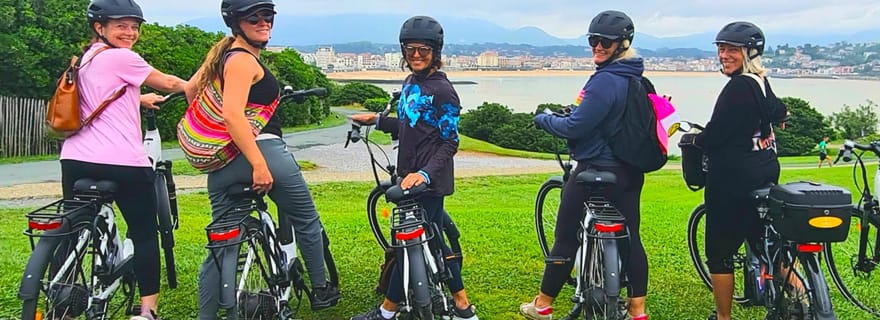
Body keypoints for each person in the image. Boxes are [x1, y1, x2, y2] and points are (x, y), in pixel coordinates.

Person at [187, 0, 339, 318]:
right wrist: (258, 164)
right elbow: (232, 115)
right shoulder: (243, 61)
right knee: (306, 220)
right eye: (253, 17)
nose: (263, 21)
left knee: (220, 246)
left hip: (223, 163)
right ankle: (321, 288)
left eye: (267, 15)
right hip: (264, 152)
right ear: (236, 23)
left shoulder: (222, 56)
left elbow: (191, 91)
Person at [58, 0, 188, 319]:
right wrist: (204, 85)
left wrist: (139, 98)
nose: (130, 32)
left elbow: (98, 95)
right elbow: (171, 83)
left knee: (71, 229)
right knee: (144, 233)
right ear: (99, 27)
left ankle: (61, 296)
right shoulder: (123, 57)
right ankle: (147, 310)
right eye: (121, 26)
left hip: (74, 159)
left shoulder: (85, 59)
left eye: (134, 27)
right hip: (122, 161)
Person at [521, 10, 649, 320]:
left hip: (594, 168)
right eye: (594, 40)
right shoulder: (636, 77)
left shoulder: (604, 80)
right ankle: (638, 310)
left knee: (566, 237)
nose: (598, 47)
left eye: (606, 42)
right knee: (631, 237)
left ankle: (543, 305)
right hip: (629, 172)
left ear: (622, 44)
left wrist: (544, 119)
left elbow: (575, 126)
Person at [348, 15, 477, 320]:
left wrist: (424, 174)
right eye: (410, 49)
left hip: (429, 181)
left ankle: (391, 310)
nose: (416, 55)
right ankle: (460, 305)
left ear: (436, 52)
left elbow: (450, 142)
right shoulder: (410, 83)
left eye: (423, 50)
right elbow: (410, 125)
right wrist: (377, 120)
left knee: (413, 242)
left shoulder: (443, 91)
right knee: (425, 241)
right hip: (406, 176)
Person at [695, 21, 788, 320]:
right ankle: (803, 298)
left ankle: (723, 317)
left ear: (750, 52)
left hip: (733, 180)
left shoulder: (737, 87)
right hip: (765, 171)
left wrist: (695, 139)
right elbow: (777, 109)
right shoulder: (759, 80)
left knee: (720, 252)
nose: (724, 55)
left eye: (732, 50)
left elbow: (717, 134)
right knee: (766, 243)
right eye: (721, 49)